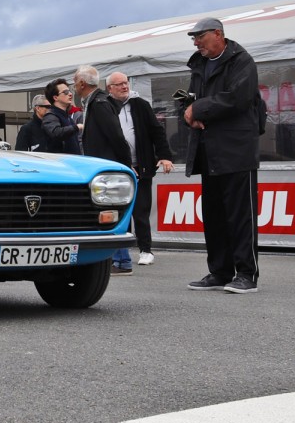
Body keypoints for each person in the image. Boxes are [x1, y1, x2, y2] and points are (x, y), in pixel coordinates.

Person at [182, 18, 263, 294]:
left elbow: (238, 98)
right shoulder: (199, 64)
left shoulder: (242, 61)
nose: (196, 43)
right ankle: (219, 271)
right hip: (208, 150)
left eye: (199, 37)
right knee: (214, 216)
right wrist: (187, 113)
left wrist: (199, 109)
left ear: (218, 34)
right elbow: (191, 102)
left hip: (236, 150)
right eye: (193, 38)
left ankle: (247, 274)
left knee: (241, 216)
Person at [106, 73, 175, 268]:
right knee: (119, 212)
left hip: (141, 166)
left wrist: (165, 156)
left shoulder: (140, 105)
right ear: (110, 88)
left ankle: (146, 250)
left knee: (141, 210)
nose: (123, 87)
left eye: (125, 83)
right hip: (118, 168)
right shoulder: (105, 107)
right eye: (118, 84)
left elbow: (157, 131)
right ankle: (120, 252)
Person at [77, 65, 133, 275]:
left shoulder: (99, 103)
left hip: (108, 168)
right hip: (103, 167)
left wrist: (126, 166)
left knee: (112, 212)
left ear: (82, 83)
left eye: (74, 82)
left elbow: (117, 136)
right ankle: (117, 260)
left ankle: (121, 261)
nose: (74, 86)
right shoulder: (95, 102)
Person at [41, 78, 83, 154]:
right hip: (60, 162)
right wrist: (76, 127)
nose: (70, 94)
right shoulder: (50, 116)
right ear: (55, 97)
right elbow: (56, 133)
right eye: (65, 92)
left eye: (69, 91)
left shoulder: (66, 116)